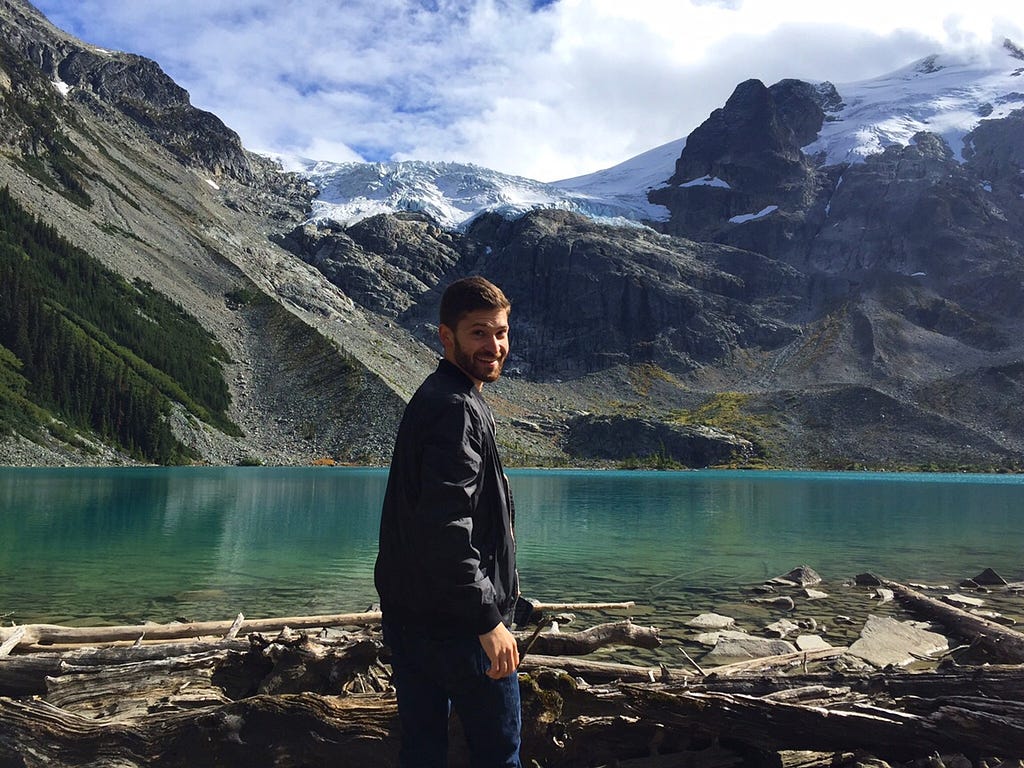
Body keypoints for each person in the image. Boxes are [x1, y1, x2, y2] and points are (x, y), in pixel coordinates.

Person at [375, 275, 522, 768]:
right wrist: (489, 620)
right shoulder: (457, 408)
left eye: (500, 332)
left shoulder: (436, 395)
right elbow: (446, 529)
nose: (494, 345)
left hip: (412, 620)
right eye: (479, 332)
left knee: (422, 753)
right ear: (446, 336)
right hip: (458, 629)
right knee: (498, 756)